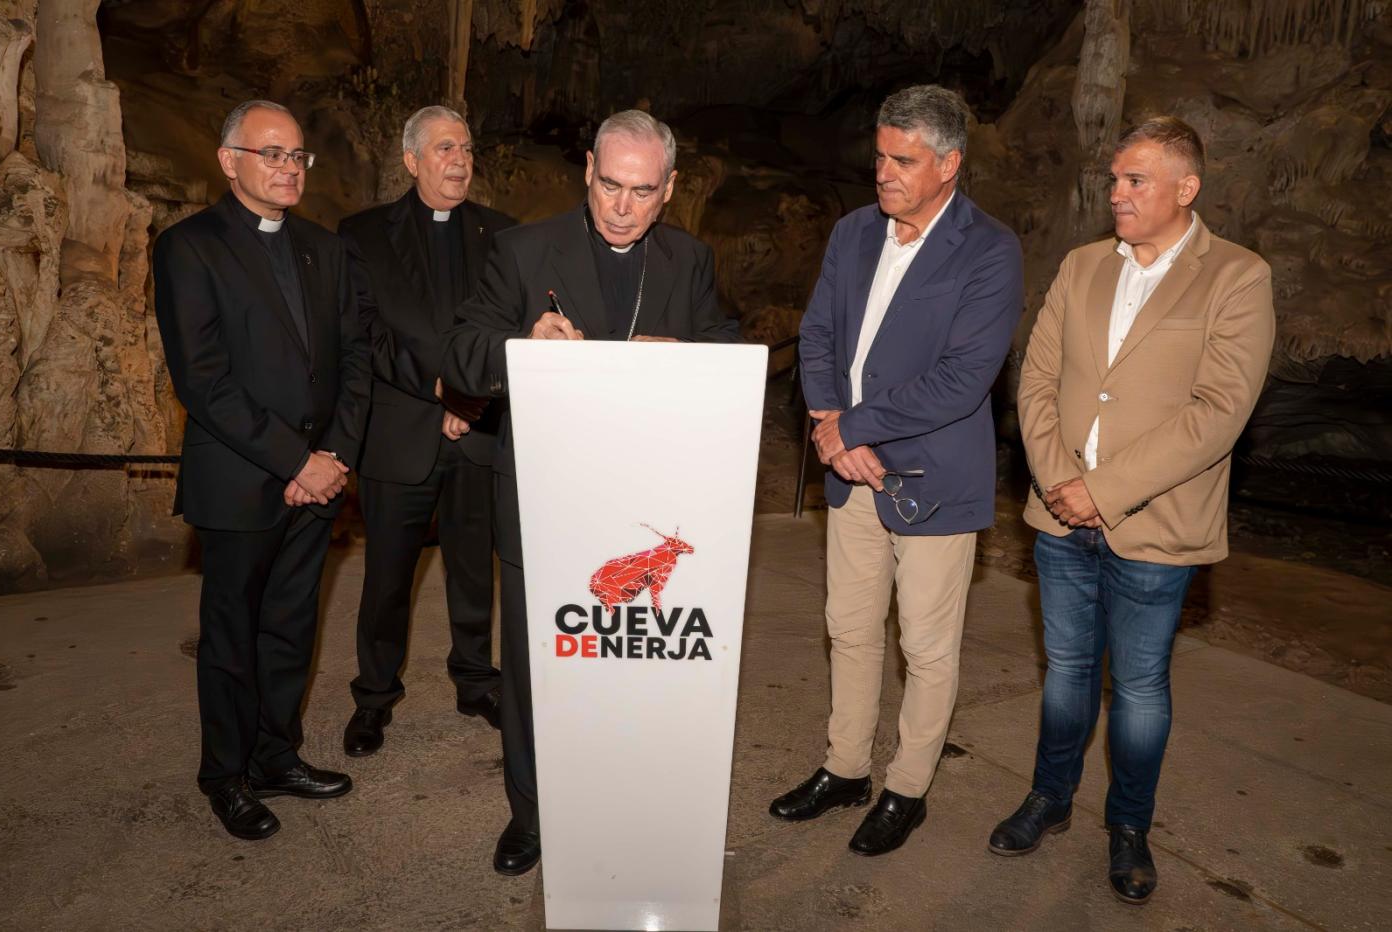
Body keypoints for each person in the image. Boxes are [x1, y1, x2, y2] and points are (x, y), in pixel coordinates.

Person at [421, 109, 738, 875]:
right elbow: (461, 351)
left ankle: (625, 807)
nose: (622, 207)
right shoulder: (524, 250)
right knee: (535, 669)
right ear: (587, 173)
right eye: (609, 186)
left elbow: (732, 347)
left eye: (642, 191)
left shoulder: (689, 260)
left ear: (668, 191)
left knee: (630, 665)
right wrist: (520, 343)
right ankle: (531, 818)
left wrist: (689, 355)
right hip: (543, 499)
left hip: (647, 507)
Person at [994, 116, 1274, 905]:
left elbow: (1219, 413)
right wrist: (1059, 482)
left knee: (1141, 689)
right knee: (1067, 674)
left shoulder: (1238, 277)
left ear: (1186, 189)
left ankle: (1128, 826)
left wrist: (1106, 489)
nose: (1116, 193)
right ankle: (1050, 799)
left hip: (1157, 523)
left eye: (1136, 181)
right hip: (1060, 517)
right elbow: (1036, 381)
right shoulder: (1082, 266)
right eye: (1114, 180)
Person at [774, 84, 1023, 857]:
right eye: (880, 155)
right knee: (848, 629)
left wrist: (853, 425)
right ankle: (845, 768)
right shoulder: (853, 233)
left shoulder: (989, 250)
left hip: (935, 480)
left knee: (925, 645)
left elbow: (964, 376)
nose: (884, 172)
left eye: (903, 160)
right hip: (849, 471)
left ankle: (907, 788)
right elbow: (817, 336)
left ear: (948, 165)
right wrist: (829, 426)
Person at [153, 100, 371, 840]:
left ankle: (278, 756)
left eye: (297, 156)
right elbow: (204, 379)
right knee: (231, 635)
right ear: (228, 160)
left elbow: (354, 362)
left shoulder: (325, 248)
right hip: (242, 480)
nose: (288, 168)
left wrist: (334, 458)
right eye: (271, 154)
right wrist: (295, 461)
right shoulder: (189, 247)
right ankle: (226, 776)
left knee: (289, 626)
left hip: (318, 481)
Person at [336, 106, 516, 757]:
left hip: (477, 433)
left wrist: (472, 398)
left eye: (466, 147)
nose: (460, 160)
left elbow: (506, 331)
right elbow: (364, 335)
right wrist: (441, 388)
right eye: (444, 148)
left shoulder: (502, 234)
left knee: (474, 570)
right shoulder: (361, 235)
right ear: (412, 160)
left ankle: (475, 680)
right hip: (399, 433)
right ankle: (374, 696)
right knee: (387, 578)